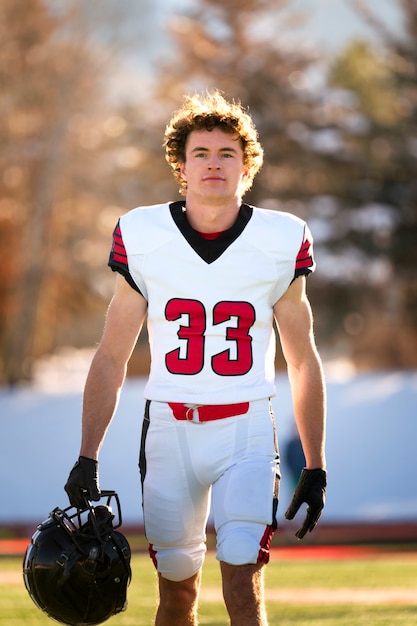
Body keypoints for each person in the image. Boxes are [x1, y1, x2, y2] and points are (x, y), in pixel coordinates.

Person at [65, 90, 327, 626]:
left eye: (227, 153)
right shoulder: (143, 235)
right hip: (169, 428)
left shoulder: (280, 238)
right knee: (176, 595)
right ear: (180, 166)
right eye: (201, 153)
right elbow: (112, 354)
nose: (213, 164)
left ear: (246, 166)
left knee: (242, 582)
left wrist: (317, 464)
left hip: (247, 426)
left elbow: (303, 360)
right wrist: (87, 453)